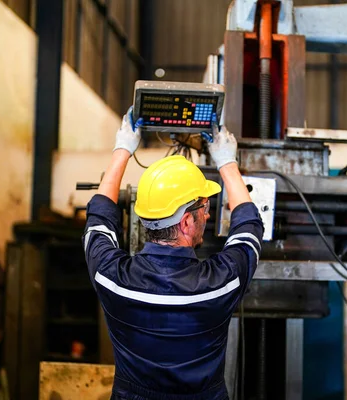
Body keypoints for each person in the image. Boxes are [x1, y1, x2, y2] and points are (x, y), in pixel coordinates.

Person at [83, 108, 264, 400]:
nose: (207, 212)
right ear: (187, 222)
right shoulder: (218, 285)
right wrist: (227, 161)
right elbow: (250, 228)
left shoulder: (111, 278)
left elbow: (98, 220)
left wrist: (122, 150)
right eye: (205, 207)